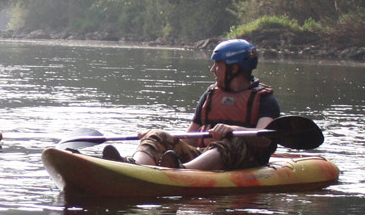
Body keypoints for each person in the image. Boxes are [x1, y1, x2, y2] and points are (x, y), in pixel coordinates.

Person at [105, 39, 280, 170]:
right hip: (204, 156)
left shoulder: (265, 99)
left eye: (217, 66)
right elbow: (190, 137)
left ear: (234, 69)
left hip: (243, 162)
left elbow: (264, 137)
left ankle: (183, 171)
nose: (212, 70)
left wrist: (232, 130)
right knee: (158, 134)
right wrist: (156, 137)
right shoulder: (210, 95)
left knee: (230, 142)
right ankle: (134, 166)